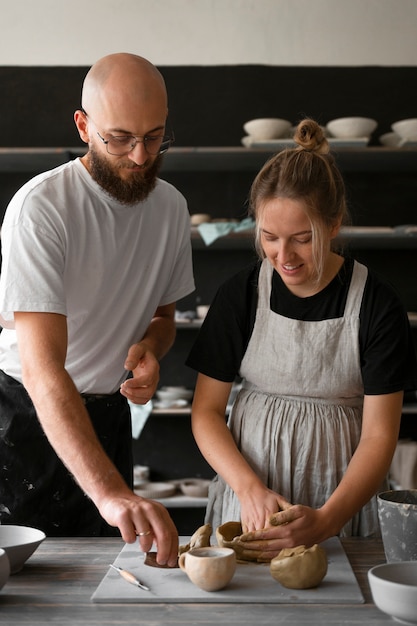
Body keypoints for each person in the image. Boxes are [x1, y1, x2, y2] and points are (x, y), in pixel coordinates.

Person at [186, 118, 417, 561]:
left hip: (342, 501)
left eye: (301, 239)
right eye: (269, 238)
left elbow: (379, 436)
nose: (283, 257)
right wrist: (247, 487)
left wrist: (329, 519)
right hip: (248, 498)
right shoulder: (241, 294)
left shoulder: (376, 303)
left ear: (332, 225)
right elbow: (206, 412)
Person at [0, 53, 195, 567]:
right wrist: (110, 492)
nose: (139, 156)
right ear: (84, 126)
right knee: (22, 590)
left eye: (154, 137)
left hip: (107, 417)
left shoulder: (171, 209)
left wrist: (152, 349)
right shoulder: (42, 208)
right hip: (24, 420)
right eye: (120, 138)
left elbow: (163, 317)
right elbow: (44, 371)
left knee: (111, 581)